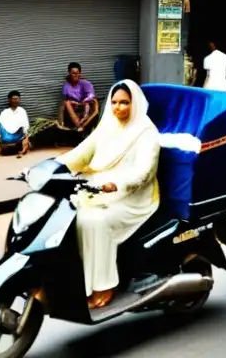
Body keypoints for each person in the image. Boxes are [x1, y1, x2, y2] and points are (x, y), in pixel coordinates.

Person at [57, 80, 161, 309]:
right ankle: (79, 283)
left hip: (135, 198)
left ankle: (105, 286)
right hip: (98, 190)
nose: (118, 108)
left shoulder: (146, 131)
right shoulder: (107, 125)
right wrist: (48, 167)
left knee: (95, 220)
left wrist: (118, 184)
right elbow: (79, 154)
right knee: (70, 214)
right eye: (114, 102)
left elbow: (144, 172)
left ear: (134, 103)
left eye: (124, 102)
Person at [61, 62, 98, 132]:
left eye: (78, 73)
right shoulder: (66, 86)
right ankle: (78, 124)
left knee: (91, 102)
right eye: (73, 73)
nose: (76, 75)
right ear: (69, 73)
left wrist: (85, 101)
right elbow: (63, 101)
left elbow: (91, 95)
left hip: (86, 105)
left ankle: (83, 124)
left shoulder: (85, 83)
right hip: (75, 108)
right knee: (67, 103)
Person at [0, 90, 31, 156]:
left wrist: (26, 139)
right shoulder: (4, 112)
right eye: (14, 99)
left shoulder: (22, 111)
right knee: (5, 149)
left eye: (17, 99)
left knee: (21, 144)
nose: (16, 101)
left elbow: (26, 127)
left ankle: (20, 148)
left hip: (19, 139)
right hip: (6, 141)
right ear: (9, 100)